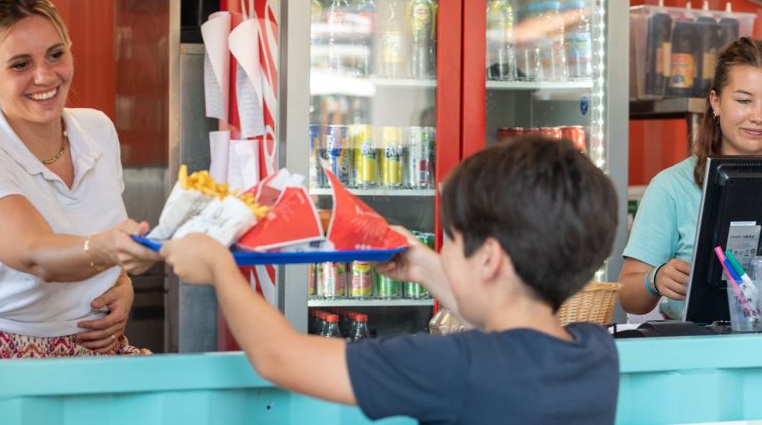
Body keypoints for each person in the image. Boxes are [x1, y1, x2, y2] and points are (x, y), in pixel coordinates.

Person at [162, 135, 620, 424]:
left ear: (488, 260)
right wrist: (421, 266)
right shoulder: (595, 353)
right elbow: (507, 327)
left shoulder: (452, 366)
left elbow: (280, 358)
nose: (445, 251)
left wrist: (221, 268)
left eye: (452, 240)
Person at [0, 0, 161, 360]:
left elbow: (89, 233)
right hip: (11, 362)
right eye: (20, 64)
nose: (45, 76)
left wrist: (119, 280)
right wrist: (108, 250)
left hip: (101, 350)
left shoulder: (98, 130)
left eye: (56, 55)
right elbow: (35, 254)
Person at [620, 37, 762, 319]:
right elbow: (628, 296)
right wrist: (656, 278)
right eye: (744, 101)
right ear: (716, 102)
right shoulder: (671, 187)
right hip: (698, 353)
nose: (758, 116)